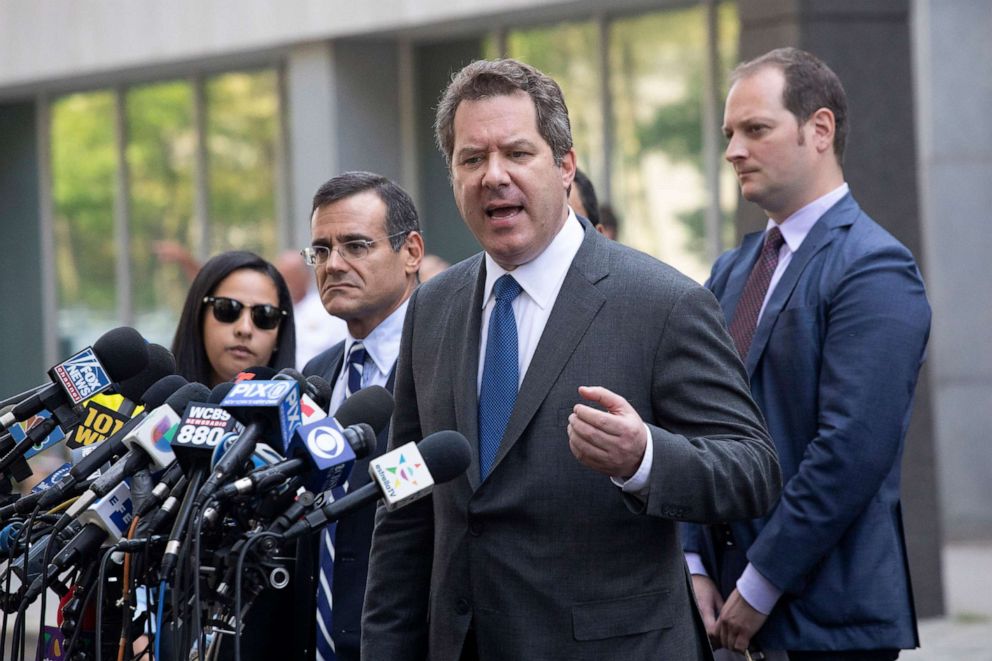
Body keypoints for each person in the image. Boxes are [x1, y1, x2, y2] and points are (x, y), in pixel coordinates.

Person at [362, 58, 781, 661]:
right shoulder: (431, 308)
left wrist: (644, 458)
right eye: (471, 159)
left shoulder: (663, 302)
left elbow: (753, 470)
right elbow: (405, 506)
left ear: (564, 166)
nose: (493, 176)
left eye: (517, 153)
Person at [682, 48, 930, 660]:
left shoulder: (874, 267)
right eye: (729, 134)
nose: (734, 150)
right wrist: (691, 561)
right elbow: (694, 421)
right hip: (717, 612)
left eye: (756, 129)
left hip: (828, 622)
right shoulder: (732, 270)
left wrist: (760, 583)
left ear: (818, 130)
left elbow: (850, 450)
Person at [299, 171, 424, 661]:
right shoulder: (316, 374)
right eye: (322, 250)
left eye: (355, 245)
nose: (334, 265)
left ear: (411, 251)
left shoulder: (446, 359)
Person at [171, 250, 296, 386]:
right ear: (199, 316)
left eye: (264, 316)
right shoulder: (157, 404)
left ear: (279, 334)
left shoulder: (304, 406)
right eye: (227, 309)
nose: (244, 329)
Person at [275, 249, 348, 369]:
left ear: (306, 276)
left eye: (292, 276)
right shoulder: (273, 312)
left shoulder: (327, 310)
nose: (286, 283)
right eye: (282, 276)